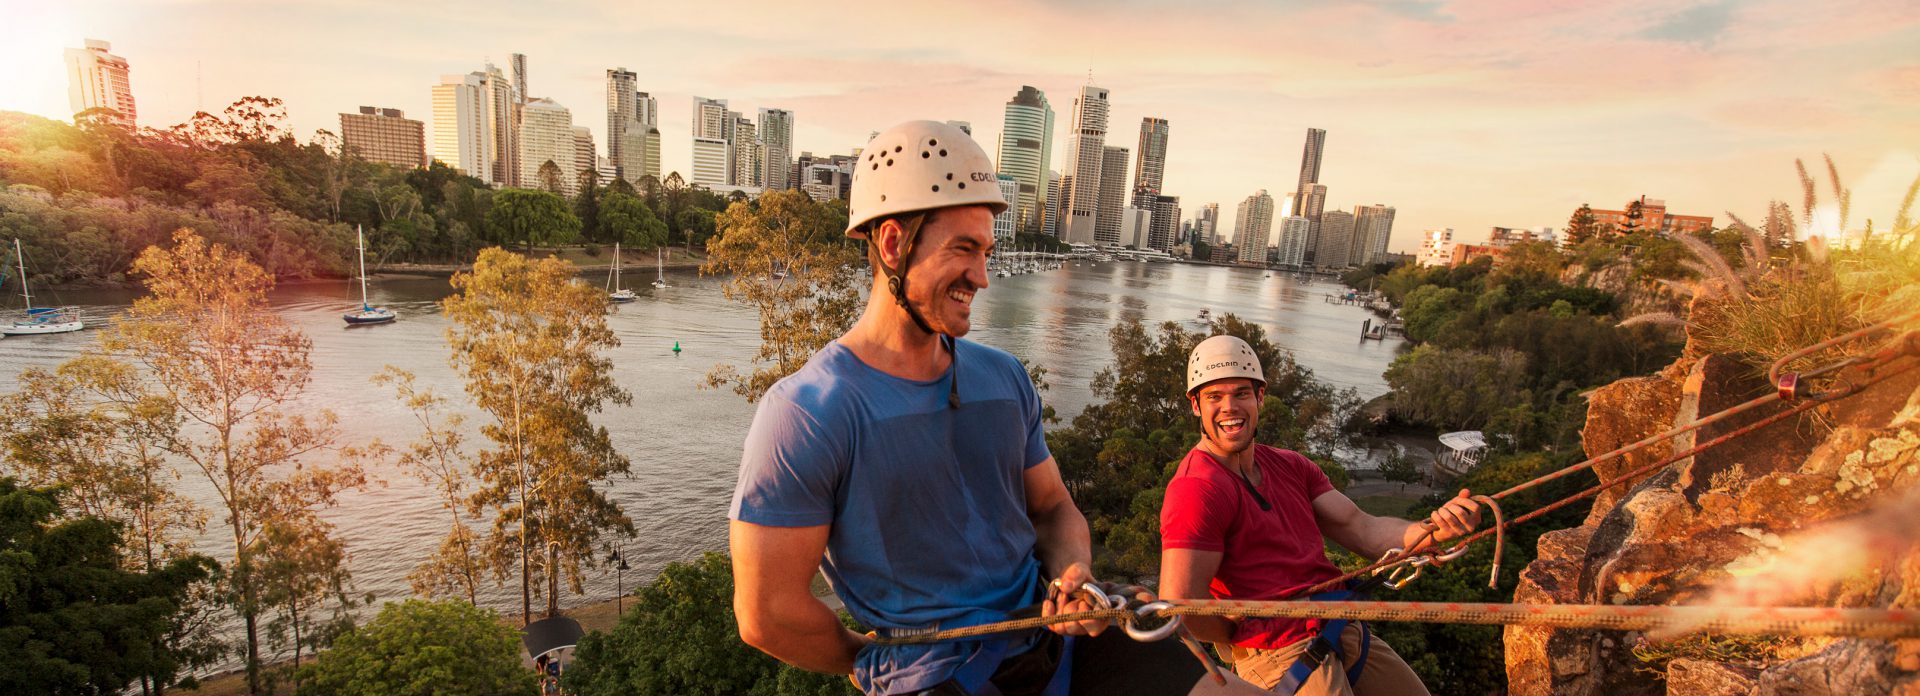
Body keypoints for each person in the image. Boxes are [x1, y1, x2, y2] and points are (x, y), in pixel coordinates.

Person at [730, 120, 1186, 696]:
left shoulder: (1003, 377)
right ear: (893, 244)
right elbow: (766, 614)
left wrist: (1074, 574)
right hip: (936, 678)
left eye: (987, 252)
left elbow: (1052, 509)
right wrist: (869, 661)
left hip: (1056, 644)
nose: (983, 276)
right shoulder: (808, 412)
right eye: (964, 249)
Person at [1158, 335, 1483, 695]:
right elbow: (1180, 603)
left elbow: (1362, 528)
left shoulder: (1291, 466)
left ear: (1260, 397)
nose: (1230, 407)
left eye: (1241, 393)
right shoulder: (1197, 488)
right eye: (1214, 397)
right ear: (1195, 405)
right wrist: (1238, 635)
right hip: (1278, 652)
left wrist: (1434, 529)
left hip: (1340, 626)